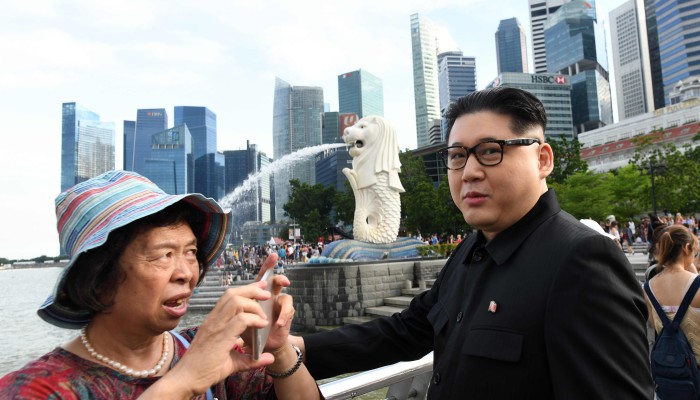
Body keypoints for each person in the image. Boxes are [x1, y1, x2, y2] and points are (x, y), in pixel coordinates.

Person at [289, 87, 653, 398]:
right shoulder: (471, 249)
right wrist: (295, 346)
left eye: (491, 151)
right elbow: (408, 330)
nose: (469, 172)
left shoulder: (583, 261)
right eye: (458, 156)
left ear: (542, 160)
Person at [0, 171, 320, 400]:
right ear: (98, 280)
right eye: (163, 255)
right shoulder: (36, 389)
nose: (186, 273)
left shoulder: (212, 349)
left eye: (191, 252)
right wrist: (184, 380)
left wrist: (277, 349)